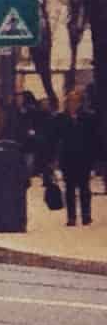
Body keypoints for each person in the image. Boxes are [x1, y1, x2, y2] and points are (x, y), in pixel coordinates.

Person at [54, 88, 95, 228]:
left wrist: (94, 158)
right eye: (70, 101)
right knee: (70, 188)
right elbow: (56, 137)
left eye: (75, 101)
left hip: (84, 157)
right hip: (68, 157)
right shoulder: (61, 118)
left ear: (80, 103)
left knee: (84, 188)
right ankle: (71, 217)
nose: (72, 104)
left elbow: (93, 138)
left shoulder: (88, 117)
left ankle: (86, 216)